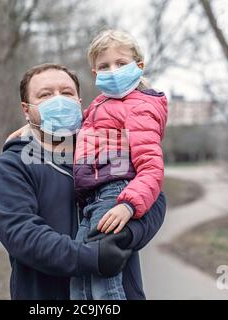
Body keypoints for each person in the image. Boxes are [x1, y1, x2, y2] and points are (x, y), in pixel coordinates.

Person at [0, 63, 167, 300]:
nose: (59, 101)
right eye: (45, 95)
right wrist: (92, 256)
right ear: (26, 110)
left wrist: (124, 236)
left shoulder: (109, 149)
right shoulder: (11, 167)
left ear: (80, 102)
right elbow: (22, 235)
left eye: (67, 93)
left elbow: (154, 199)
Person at [70, 30, 168, 300]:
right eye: (104, 66)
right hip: (93, 196)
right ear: (94, 73)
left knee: (103, 281)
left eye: (120, 63)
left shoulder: (140, 107)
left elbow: (151, 167)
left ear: (138, 66)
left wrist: (128, 204)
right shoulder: (100, 104)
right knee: (80, 277)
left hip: (114, 191)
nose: (112, 71)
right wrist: (30, 131)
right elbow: (77, 132)